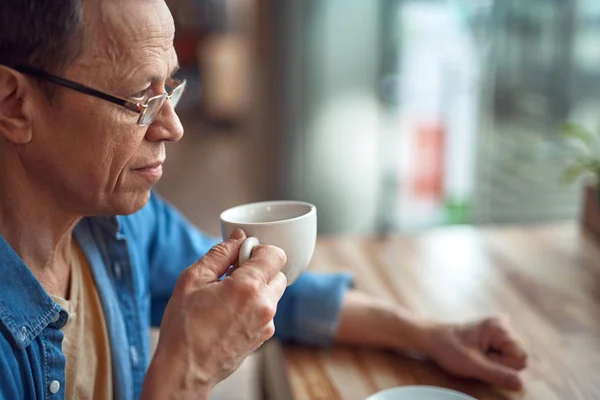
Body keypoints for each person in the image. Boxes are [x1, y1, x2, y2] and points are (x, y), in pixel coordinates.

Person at [0, 1, 528, 399]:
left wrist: (429, 334)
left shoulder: (112, 224)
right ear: (15, 104)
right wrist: (184, 376)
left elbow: (273, 295)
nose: (173, 126)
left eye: (172, 90)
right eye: (141, 98)